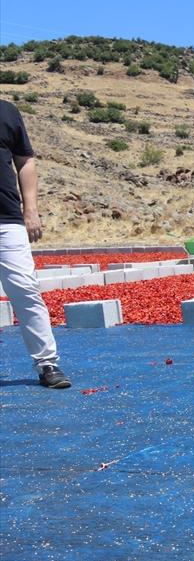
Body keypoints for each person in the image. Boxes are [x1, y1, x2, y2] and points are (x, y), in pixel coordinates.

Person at [0, 99, 69, 388]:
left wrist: (31, 209)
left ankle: (47, 364)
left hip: (6, 218)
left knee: (26, 290)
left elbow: (25, 160)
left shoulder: (7, 111)